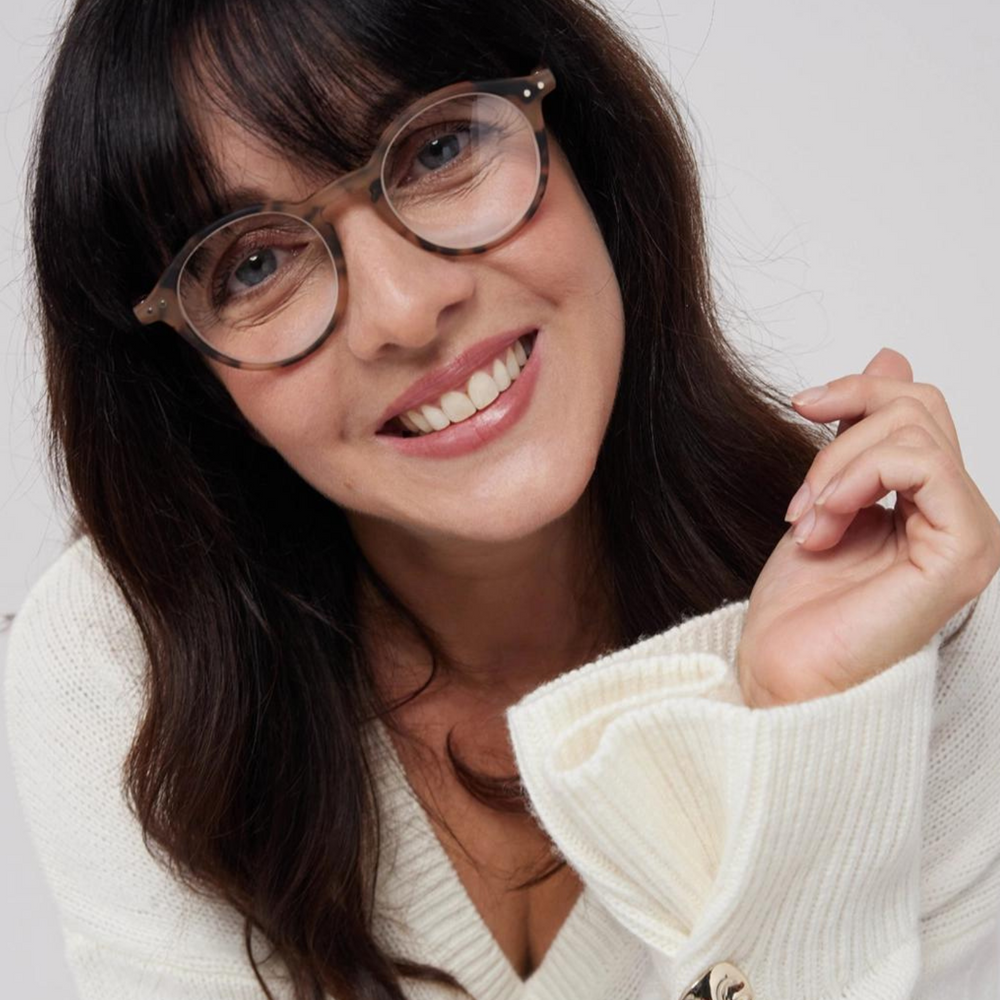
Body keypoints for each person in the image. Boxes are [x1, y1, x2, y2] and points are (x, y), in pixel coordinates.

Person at [5, 0, 1000, 998]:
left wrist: (804, 731)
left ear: (582, 141)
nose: (404, 308)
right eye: (255, 264)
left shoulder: (902, 610)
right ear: (188, 374)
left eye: (438, 149)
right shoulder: (122, 666)